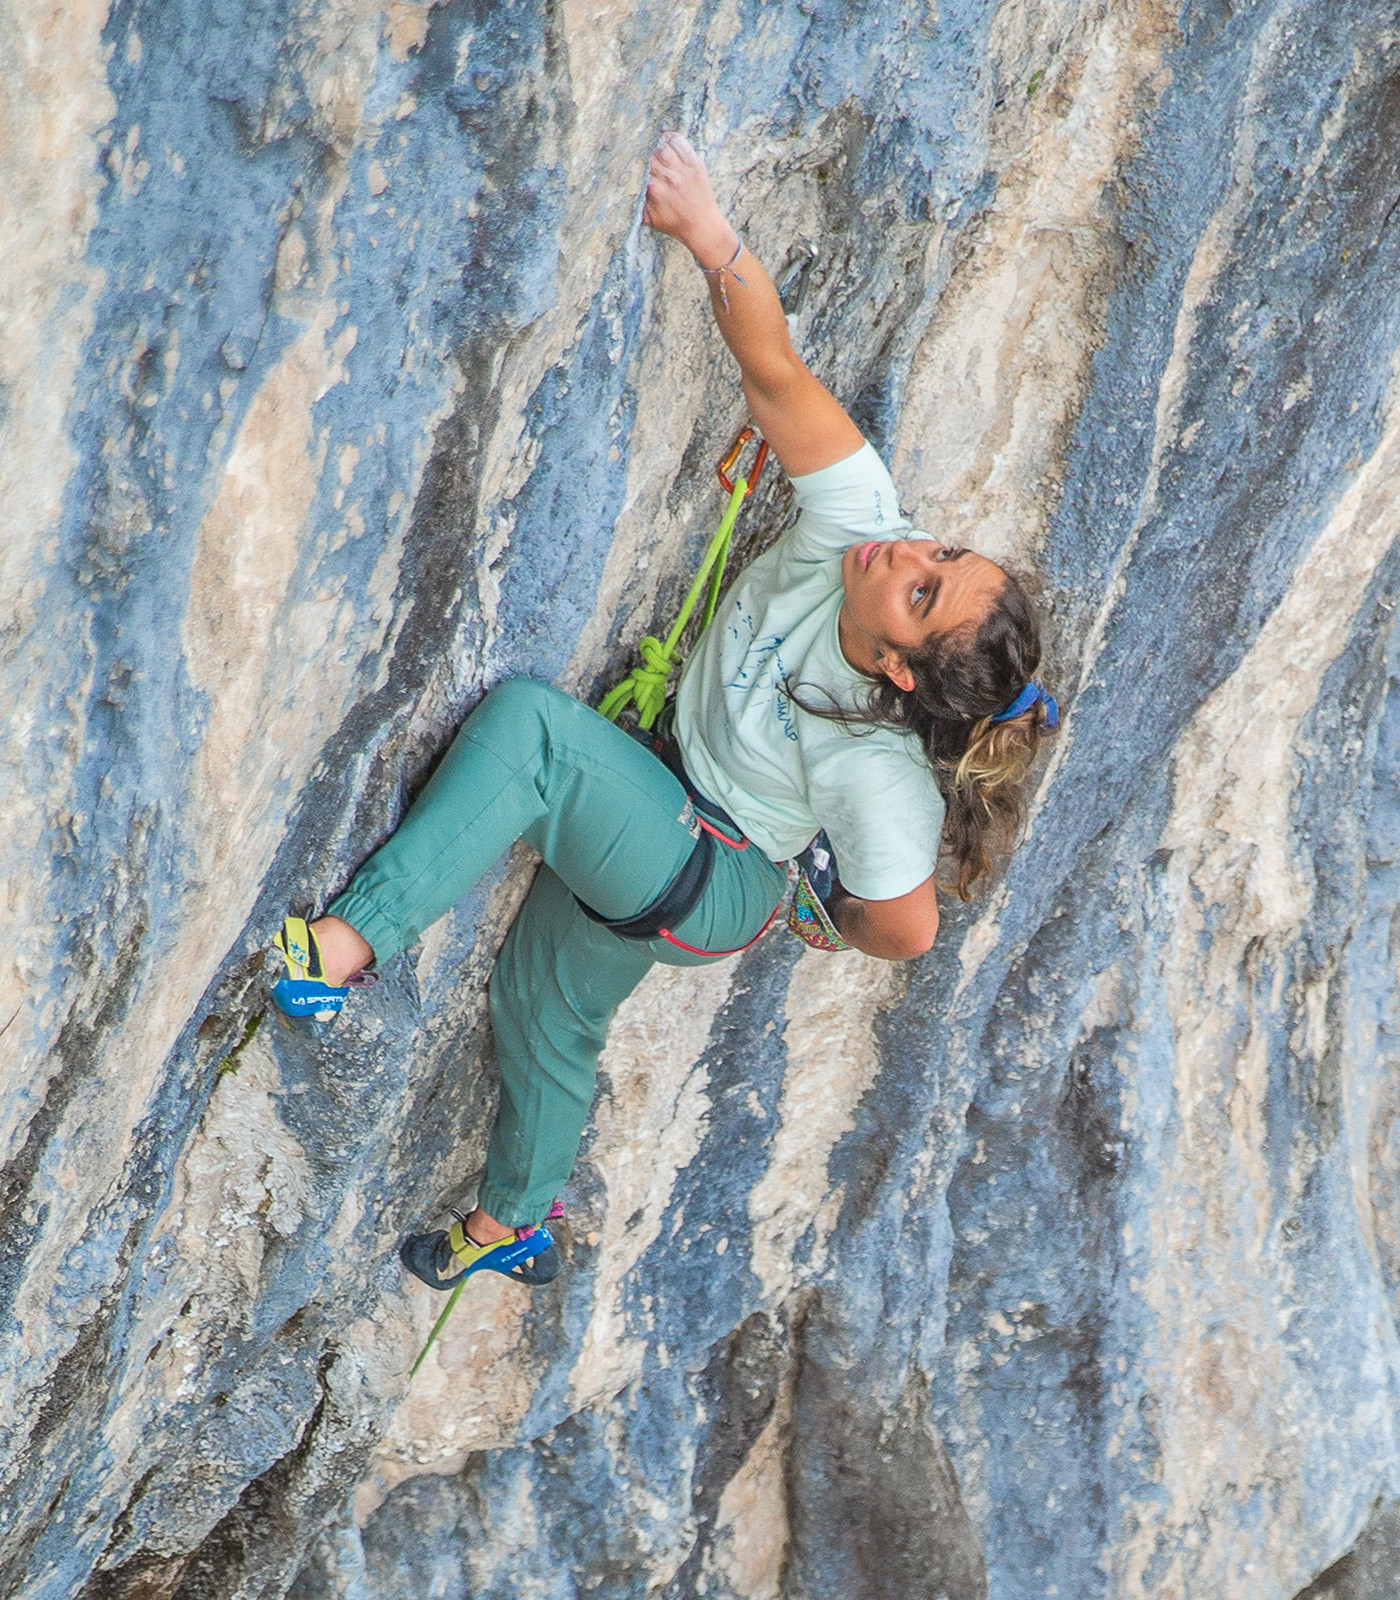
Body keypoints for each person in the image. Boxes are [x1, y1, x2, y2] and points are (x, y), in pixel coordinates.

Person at [269, 133, 1057, 1293]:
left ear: (900, 669)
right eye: (941, 553)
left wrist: (809, 912)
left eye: (924, 588)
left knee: (534, 734)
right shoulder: (857, 523)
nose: (907, 551)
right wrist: (709, 237)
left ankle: (336, 950)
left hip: (720, 869)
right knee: (539, 999)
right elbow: (777, 375)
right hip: (671, 807)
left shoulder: (878, 772)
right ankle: (509, 1222)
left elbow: (908, 930)